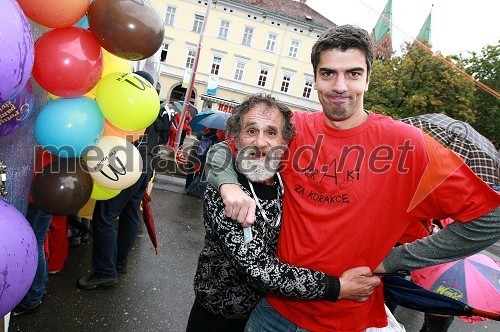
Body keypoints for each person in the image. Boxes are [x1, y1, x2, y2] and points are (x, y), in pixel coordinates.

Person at [205, 25, 500, 331]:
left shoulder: (409, 145)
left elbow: (491, 219)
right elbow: (221, 150)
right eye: (328, 73)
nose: (340, 86)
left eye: (354, 74)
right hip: (273, 312)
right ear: (316, 78)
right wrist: (227, 184)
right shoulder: (293, 128)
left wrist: (396, 260)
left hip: (345, 320)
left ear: (368, 79)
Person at [186, 94, 380, 331]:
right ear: (237, 138)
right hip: (218, 316)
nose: (260, 142)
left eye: (271, 133)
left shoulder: (284, 179)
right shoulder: (226, 194)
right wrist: (337, 287)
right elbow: (259, 269)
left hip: (265, 314)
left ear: (284, 141)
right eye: (251, 131)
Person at [77, 71, 160, 290]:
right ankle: (119, 263)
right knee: (130, 214)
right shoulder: (152, 108)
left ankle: (105, 272)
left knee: (105, 216)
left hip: (124, 165)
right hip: (144, 167)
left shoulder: (128, 105)